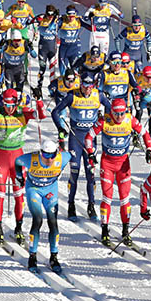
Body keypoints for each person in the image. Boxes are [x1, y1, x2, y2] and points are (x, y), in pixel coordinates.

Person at [84, 97, 151, 246]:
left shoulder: (130, 120)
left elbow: (145, 134)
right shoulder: (104, 121)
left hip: (123, 164)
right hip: (107, 163)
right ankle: (104, 230)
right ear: (111, 112)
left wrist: (149, 150)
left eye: (122, 113)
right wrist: (91, 152)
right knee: (107, 197)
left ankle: (125, 231)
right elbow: (89, 136)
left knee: (124, 198)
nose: (119, 117)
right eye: (116, 114)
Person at [0, 88, 46, 244]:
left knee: (19, 196)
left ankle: (19, 227)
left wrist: (39, 99)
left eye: (12, 104)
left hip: (18, 160)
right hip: (1, 159)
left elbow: (41, 115)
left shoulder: (22, 114)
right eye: (6, 104)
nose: (9, 108)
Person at [53, 80, 104, 223]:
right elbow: (55, 112)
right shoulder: (72, 96)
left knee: (90, 173)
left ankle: (91, 205)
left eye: (90, 87)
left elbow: (113, 110)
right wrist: (61, 128)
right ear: (80, 85)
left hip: (91, 139)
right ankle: (71, 205)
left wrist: (103, 119)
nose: (87, 90)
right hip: (75, 138)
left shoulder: (98, 95)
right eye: (84, 87)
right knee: (74, 173)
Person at [15, 139, 69, 272]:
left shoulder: (62, 158)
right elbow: (17, 161)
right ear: (41, 153)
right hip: (34, 190)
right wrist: (19, 177)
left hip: (50, 191)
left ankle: (54, 257)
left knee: (53, 222)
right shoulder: (31, 159)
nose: (49, 159)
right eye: (46, 155)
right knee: (37, 220)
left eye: (52, 155)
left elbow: (73, 155)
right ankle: (32, 256)